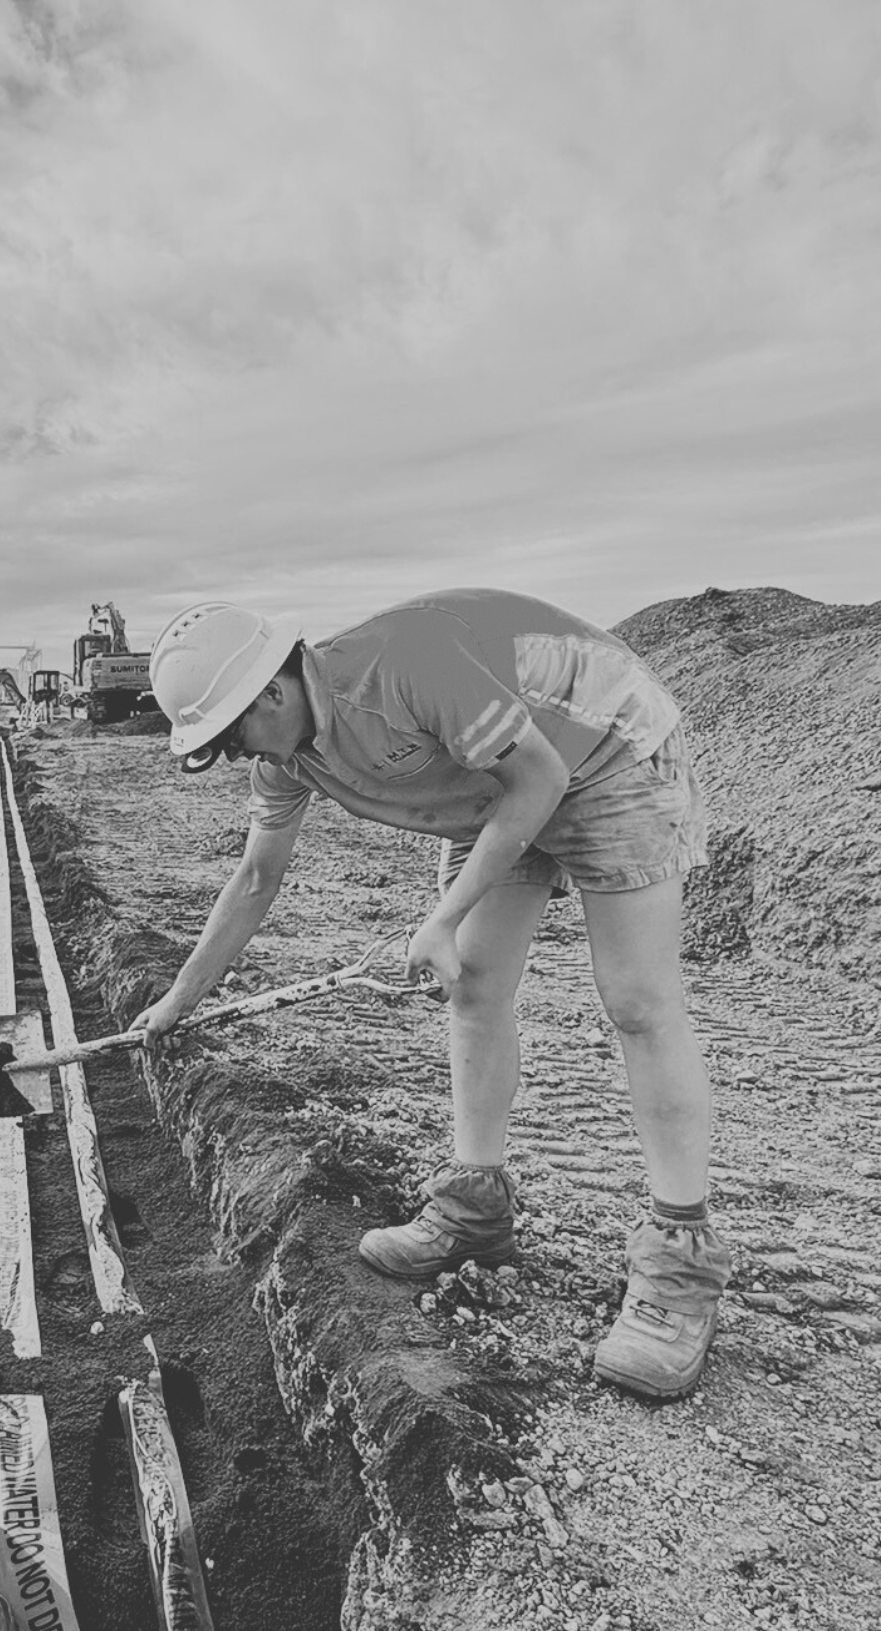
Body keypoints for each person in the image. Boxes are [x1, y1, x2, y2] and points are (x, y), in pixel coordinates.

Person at [141, 590, 732, 1402]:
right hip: (499, 784)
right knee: (477, 988)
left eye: (231, 732)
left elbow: (542, 776)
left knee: (636, 998)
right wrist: (180, 998)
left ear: (271, 693)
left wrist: (442, 917)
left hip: (606, 750)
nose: (239, 753)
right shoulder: (286, 756)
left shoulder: (401, 667)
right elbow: (255, 877)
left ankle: (679, 1267)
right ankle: (475, 1208)